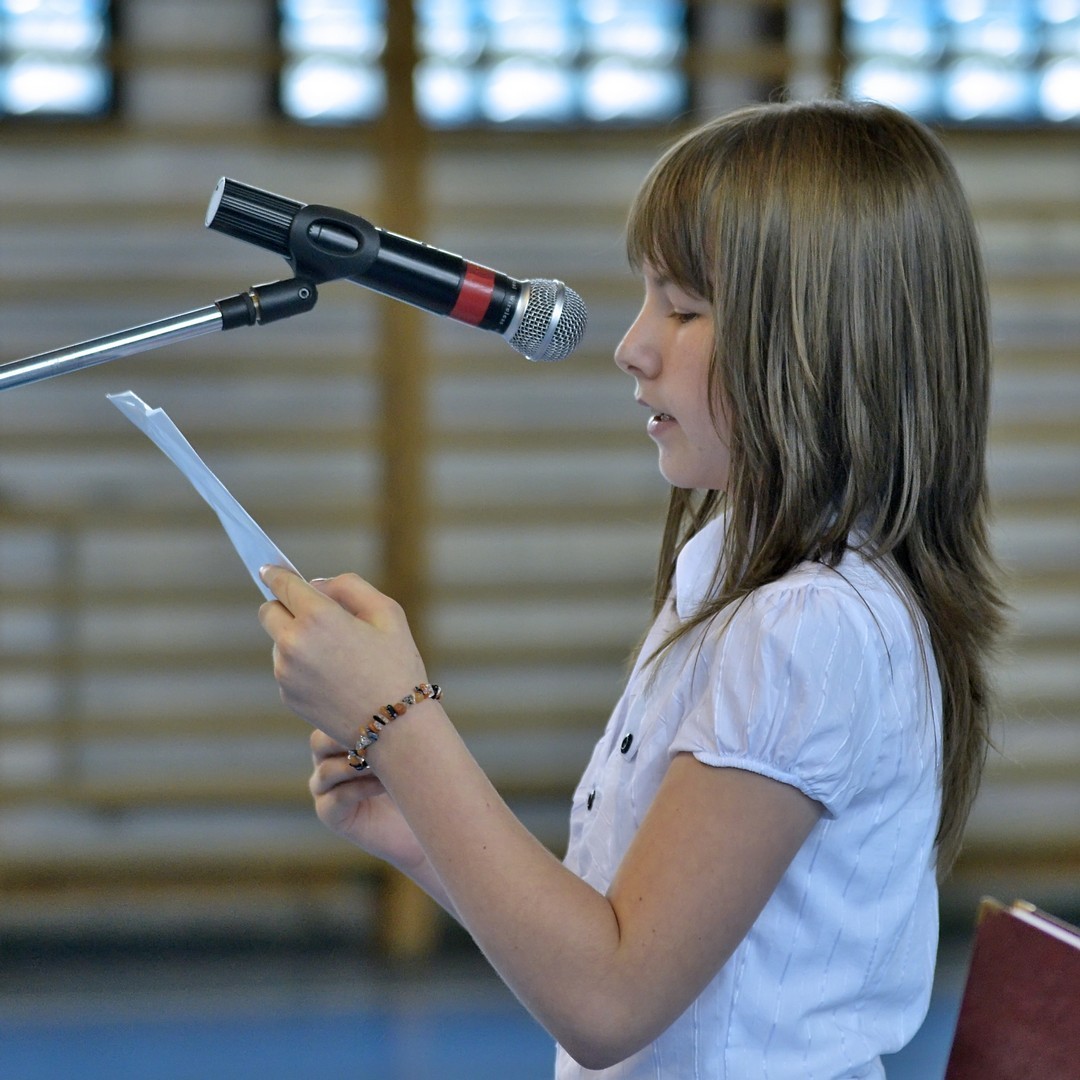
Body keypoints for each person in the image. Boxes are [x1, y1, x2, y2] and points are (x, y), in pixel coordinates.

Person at [257, 98, 1006, 1078]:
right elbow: (617, 930)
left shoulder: (810, 625)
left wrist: (398, 721)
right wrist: (417, 830)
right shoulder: (737, 577)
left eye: (684, 309)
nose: (633, 345)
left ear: (824, 342)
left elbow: (611, 999)